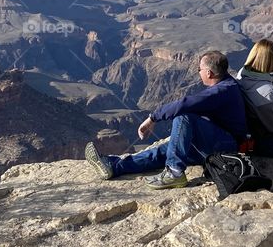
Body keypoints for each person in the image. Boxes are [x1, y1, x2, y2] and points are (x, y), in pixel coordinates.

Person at [85, 50, 247, 189]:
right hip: (213, 141)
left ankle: (175, 172)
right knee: (163, 152)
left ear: (209, 73)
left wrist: (152, 118)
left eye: (199, 69)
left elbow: (185, 104)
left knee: (183, 116)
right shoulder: (226, 86)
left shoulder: (222, 91)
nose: (198, 72)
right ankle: (114, 166)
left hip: (226, 145)